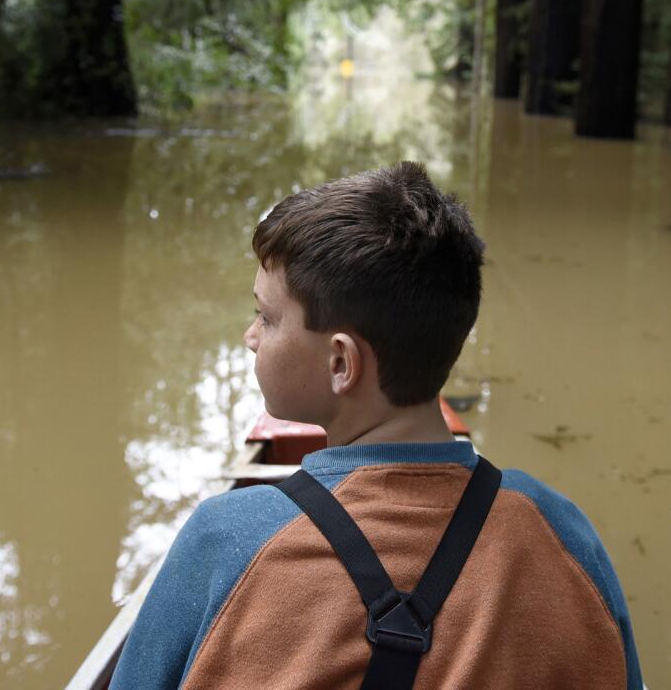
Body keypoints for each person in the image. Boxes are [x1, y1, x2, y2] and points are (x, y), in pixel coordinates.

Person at [109, 162, 642, 690]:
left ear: (341, 364)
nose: (252, 336)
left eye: (267, 318)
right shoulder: (564, 534)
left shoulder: (224, 542)